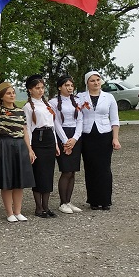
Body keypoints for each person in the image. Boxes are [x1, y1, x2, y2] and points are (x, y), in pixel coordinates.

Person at [0, 72, 35, 222]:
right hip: (5, 144)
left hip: (20, 145)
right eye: (8, 93)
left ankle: (18, 211)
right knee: (7, 180)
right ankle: (9, 213)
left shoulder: (20, 111)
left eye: (13, 92)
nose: (12, 95)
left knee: (19, 180)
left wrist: (29, 149)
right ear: (2, 96)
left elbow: (25, 131)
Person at [78, 71, 121, 210]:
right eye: (92, 80)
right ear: (87, 83)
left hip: (104, 135)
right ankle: (93, 200)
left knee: (104, 168)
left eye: (98, 80)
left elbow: (114, 119)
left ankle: (105, 199)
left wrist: (115, 138)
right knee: (90, 168)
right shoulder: (80, 97)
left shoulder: (109, 97)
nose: (96, 83)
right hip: (87, 135)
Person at [23, 75, 60, 219]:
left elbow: (52, 125)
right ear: (30, 90)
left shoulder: (47, 104)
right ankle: (38, 207)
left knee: (48, 173)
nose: (40, 90)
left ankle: (46, 205)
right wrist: (30, 148)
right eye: (37, 88)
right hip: (38, 138)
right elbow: (27, 128)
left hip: (49, 138)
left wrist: (55, 143)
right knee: (39, 173)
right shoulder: (28, 107)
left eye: (42, 88)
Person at [53, 75, 84, 214]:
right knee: (66, 170)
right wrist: (65, 141)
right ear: (60, 87)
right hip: (62, 135)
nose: (70, 88)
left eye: (71, 85)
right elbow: (56, 122)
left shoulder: (77, 101)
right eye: (67, 85)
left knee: (73, 171)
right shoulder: (53, 102)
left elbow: (80, 120)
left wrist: (75, 138)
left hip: (75, 136)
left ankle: (68, 201)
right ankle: (62, 202)